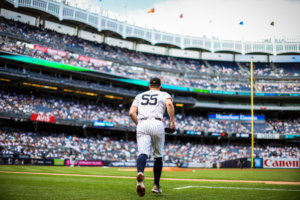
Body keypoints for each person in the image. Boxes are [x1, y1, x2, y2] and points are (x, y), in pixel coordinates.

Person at [129, 77, 175, 197]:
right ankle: (156, 185)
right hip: (157, 123)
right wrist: (172, 122)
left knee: (143, 153)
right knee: (157, 156)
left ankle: (140, 173)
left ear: (149, 86)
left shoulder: (139, 96)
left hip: (142, 123)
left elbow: (131, 113)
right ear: (160, 87)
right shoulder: (164, 94)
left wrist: (139, 125)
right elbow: (169, 104)